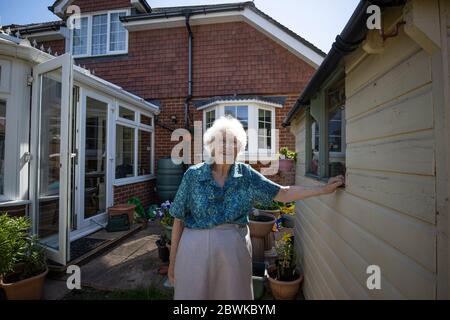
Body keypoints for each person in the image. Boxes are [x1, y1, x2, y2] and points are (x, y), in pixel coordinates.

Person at [168, 116, 344, 300]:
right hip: (194, 252)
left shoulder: (246, 176)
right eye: (223, 140)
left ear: (240, 147)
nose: (228, 146)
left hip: (233, 252)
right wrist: (172, 265)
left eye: (233, 142)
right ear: (211, 145)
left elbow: (282, 193)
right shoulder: (193, 175)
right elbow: (178, 219)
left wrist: (323, 189)